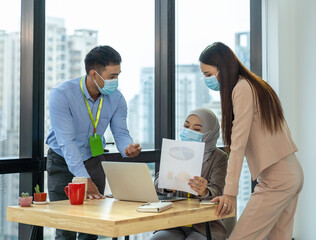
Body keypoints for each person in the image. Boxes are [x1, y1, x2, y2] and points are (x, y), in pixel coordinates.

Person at [199, 42, 304, 240]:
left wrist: (230, 193)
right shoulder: (257, 85)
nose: (207, 80)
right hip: (292, 173)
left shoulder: (242, 88)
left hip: (277, 178)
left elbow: (238, 145)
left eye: (208, 74)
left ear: (223, 68)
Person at [46, 45, 141, 240]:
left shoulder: (116, 98)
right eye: (112, 76)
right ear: (93, 74)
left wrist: (127, 148)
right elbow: (67, 142)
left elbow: (121, 133)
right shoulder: (62, 94)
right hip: (63, 161)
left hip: (93, 158)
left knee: (92, 228)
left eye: (118, 75)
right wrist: (83, 178)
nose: (116, 81)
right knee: (66, 228)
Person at [150, 108, 229, 240]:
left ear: (210, 133)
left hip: (204, 225)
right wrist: (167, 184)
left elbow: (218, 190)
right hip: (175, 222)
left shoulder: (219, 157)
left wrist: (205, 191)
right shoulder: (176, 149)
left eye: (197, 129)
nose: (189, 131)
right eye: (186, 126)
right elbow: (157, 182)